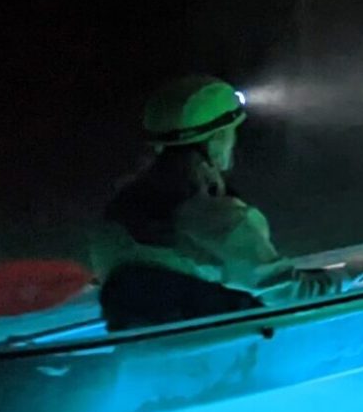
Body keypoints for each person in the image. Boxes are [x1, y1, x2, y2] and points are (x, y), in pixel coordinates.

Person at [94, 75, 345, 330]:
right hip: (219, 359)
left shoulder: (115, 218)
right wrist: (351, 274)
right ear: (216, 140)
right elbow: (289, 296)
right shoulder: (224, 219)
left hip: (141, 354)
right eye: (231, 133)